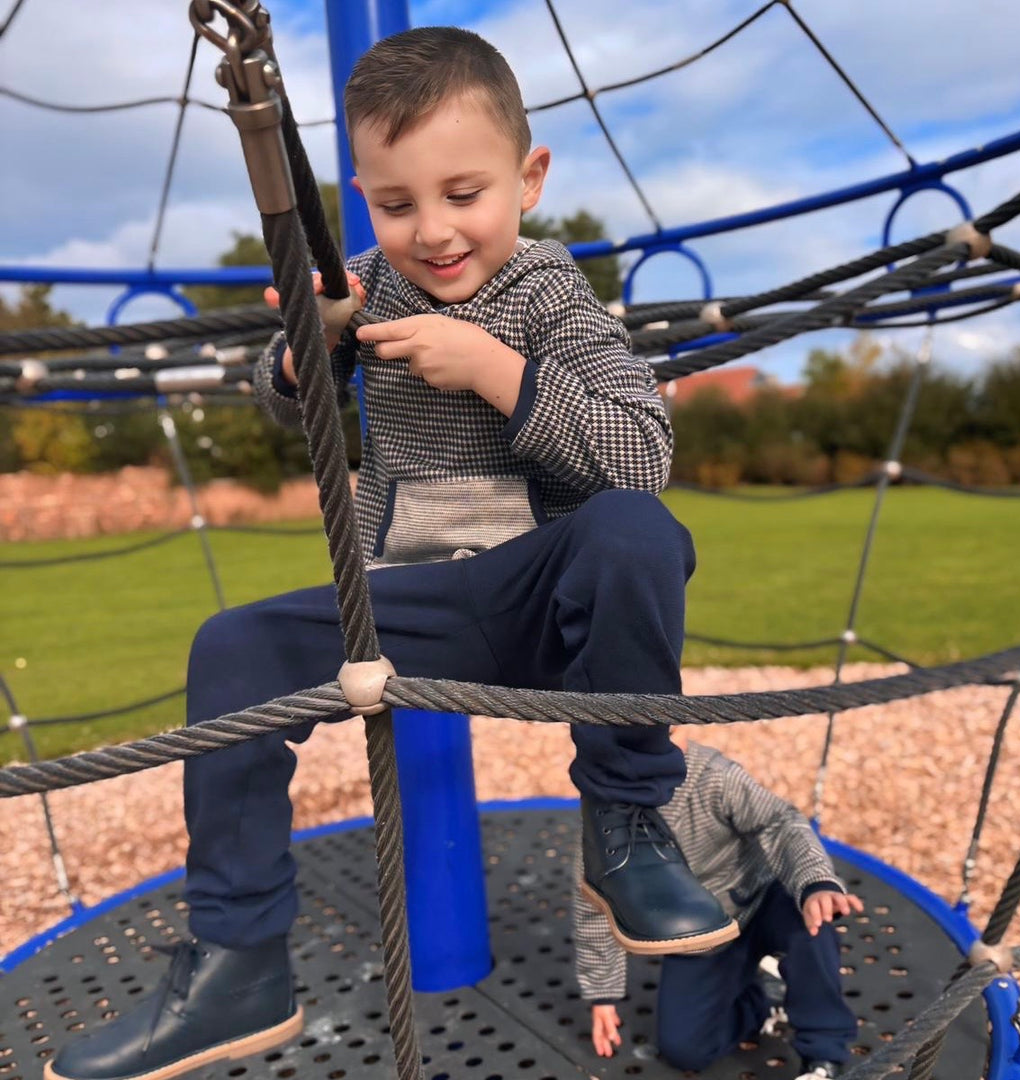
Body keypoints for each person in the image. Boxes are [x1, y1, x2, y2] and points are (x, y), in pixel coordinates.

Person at [48, 25, 737, 1080]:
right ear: (364, 197)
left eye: (464, 194)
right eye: (396, 201)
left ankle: (628, 826)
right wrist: (302, 357)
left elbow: (641, 453)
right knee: (232, 645)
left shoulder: (551, 297)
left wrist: (500, 372)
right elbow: (280, 405)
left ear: (530, 178)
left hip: (543, 605)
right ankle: (239, 964)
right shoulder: (364, 284)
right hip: (401, 612)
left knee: (638, 530)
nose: (434, 230)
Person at [576, 728, 862, 1080]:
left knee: (813, 923)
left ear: (685, 726)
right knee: (684, 1048)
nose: (652, 751)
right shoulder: (604, 816)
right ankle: (765, 998)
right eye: (630, 741)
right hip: (704, 932)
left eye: (666, 733)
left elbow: (779, 821)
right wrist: (603, 994)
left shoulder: (712, 776)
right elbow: (595, 899)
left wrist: (815, 882)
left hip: (763, 898)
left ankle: (824, 1055)